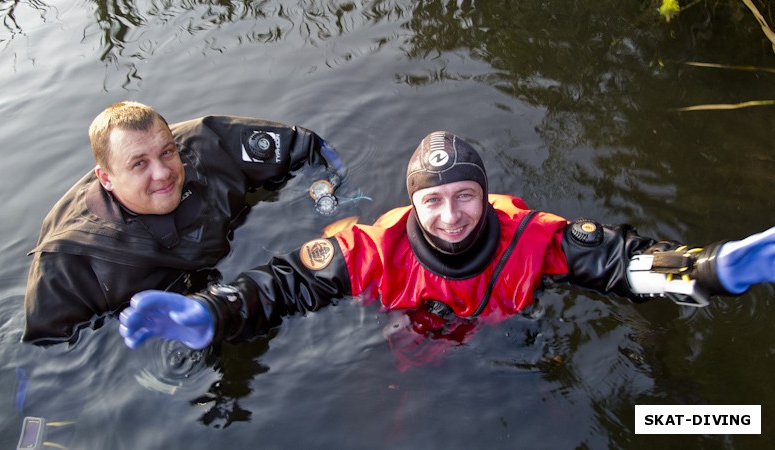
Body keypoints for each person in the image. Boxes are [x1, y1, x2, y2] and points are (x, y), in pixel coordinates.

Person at [118, 131, 775, 356]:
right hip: (416, 343)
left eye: (465, 196)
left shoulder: (534, 236)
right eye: (433, 199)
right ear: (413, 201)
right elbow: (286, 282)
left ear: (485, 196)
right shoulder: (375, 249)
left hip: (511, 335)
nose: (452, 215)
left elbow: (618, 261)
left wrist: (707, 269)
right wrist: (216, 309)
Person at [23, 101, 344, 344]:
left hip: (245, 271)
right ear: (106, 179)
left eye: (166, 152)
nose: (162, 172)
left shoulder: (207, 145)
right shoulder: (67, 258)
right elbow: (51, 354)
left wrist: (324, 195)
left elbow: (305, 148)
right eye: (139, 164)